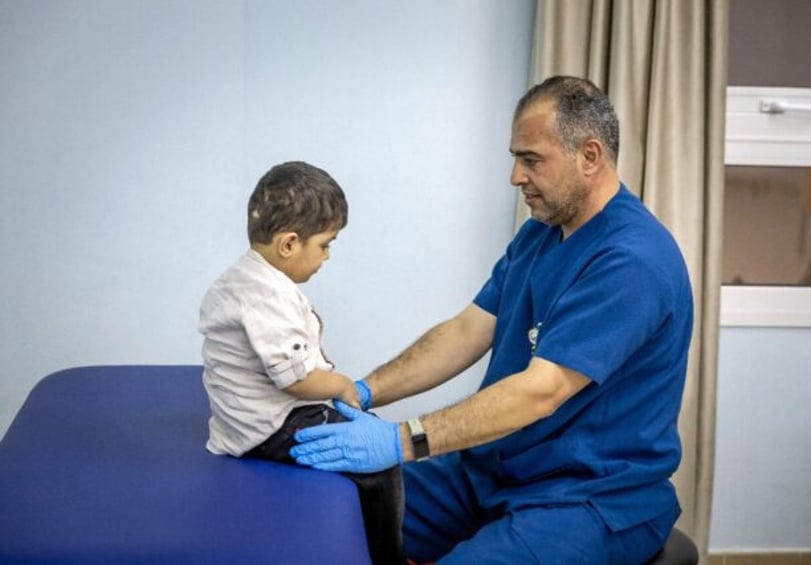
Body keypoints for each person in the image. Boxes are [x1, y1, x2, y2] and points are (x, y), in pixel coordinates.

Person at [291, 76, 694, 564]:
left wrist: (402, 439)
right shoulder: (540, 235)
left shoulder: (632, 261)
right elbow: (467, 331)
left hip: (588, 497)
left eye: (531, 159)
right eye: (515, 158)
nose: (516, 177)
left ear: (590, 156)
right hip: (494, 470)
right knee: (331, 507)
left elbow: (541, 391)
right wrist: (362, 390)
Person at [198, 161, 405, 565]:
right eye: (325, 244)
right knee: (382, 464)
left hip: (240, 423)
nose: (327, 256)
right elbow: (295, 380)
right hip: (269, 429)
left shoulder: (242, 278)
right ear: (289, 244)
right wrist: (342, 384)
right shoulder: (267, 296)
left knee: (370, 432)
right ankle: (388, 558)